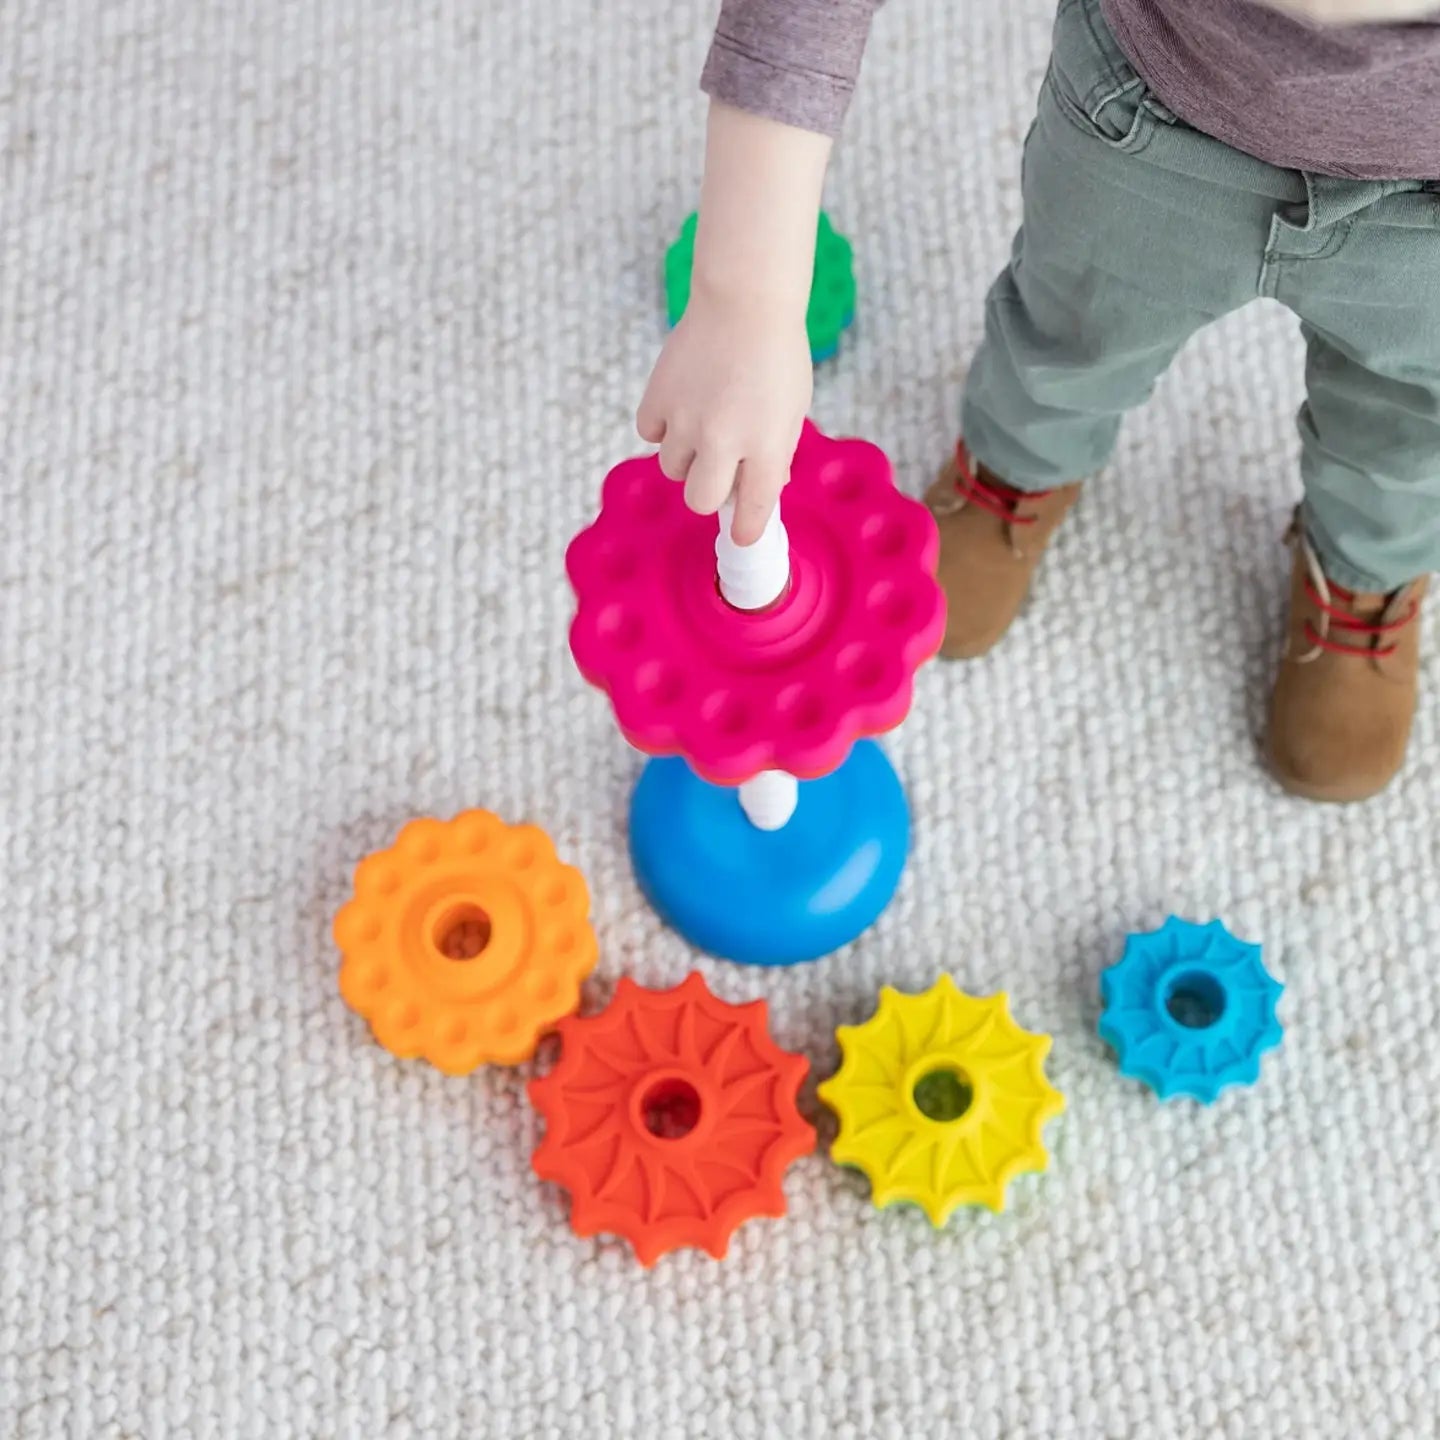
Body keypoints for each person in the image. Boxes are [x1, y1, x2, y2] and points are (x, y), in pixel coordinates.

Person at [636, 0, 1440, 802]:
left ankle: (1365, 571)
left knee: (1406, 425)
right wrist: (743, 295)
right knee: (1067, 338)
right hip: (1157, 105)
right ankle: (1015, 470)